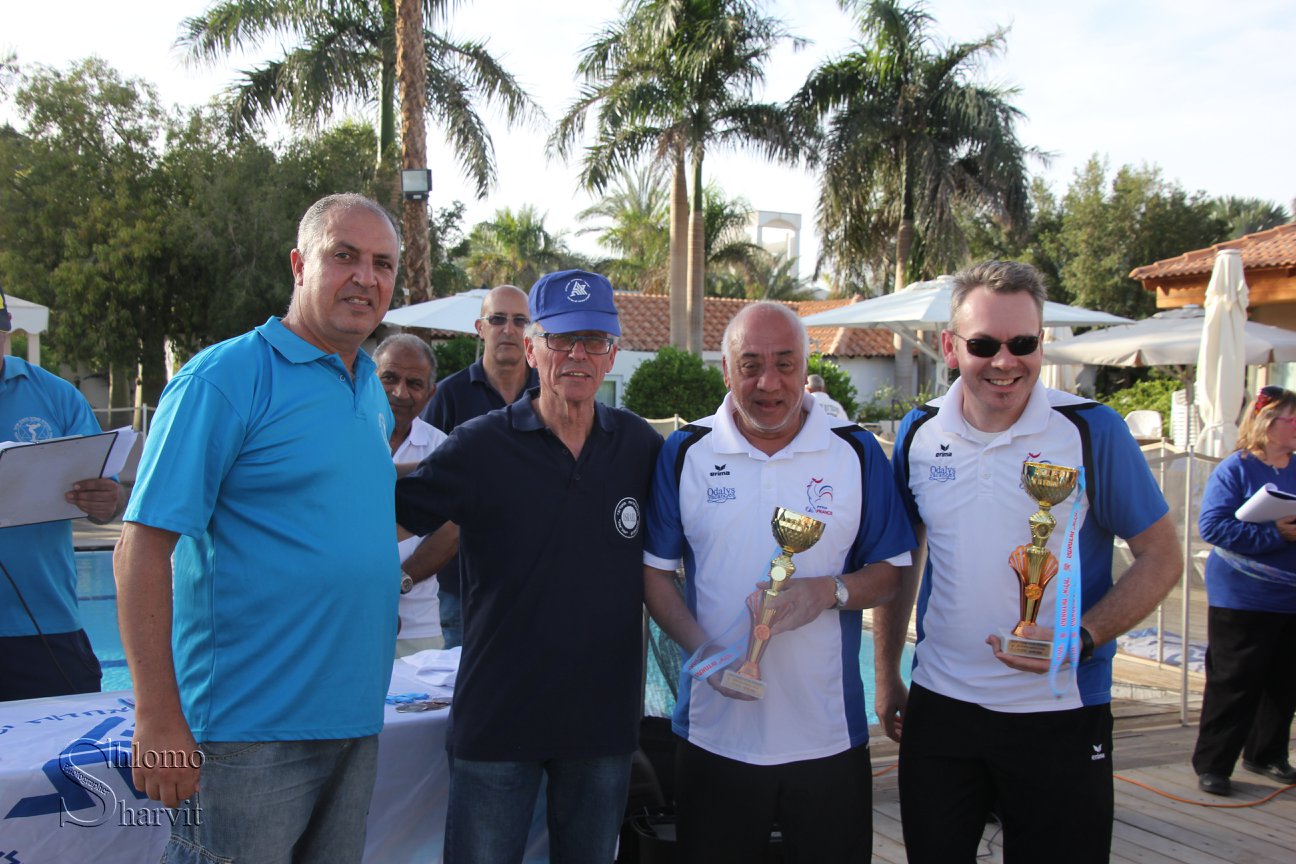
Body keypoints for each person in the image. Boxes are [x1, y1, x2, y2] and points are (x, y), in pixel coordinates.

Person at [114, 193, 401, 863]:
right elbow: (139, 550)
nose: (365, 278)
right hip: (245, 732)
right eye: (344, 256)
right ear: (300, 265)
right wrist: (156, 715)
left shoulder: (369, 388)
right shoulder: (224, 379)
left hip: (354, 721)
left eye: (382, 263)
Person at [876, 260, 1182, 863]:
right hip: (943, 707)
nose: (1005, 361)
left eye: (1022, 344)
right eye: (984, 344)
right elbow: (902, 558)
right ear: (951, 348)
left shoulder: (1091, 430)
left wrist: (1080, 638)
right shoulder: (919, 433)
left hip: (1060, 709)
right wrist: (887, 673)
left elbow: (1162, 557)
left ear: (1040, 344)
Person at [396, 269, 661, 864]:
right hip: (499, 722)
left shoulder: (640, 447)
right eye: (561, 339)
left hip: (601, 725)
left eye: (593, 340)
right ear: (533, 347)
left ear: (612, 353)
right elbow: (390, 517)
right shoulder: (478, 445)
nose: (577, 355)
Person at [642, 301, 917, 863]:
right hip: (714, 736)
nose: (768, 382)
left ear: (805, 368)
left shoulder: (856, 451)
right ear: (726, 371)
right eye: (750, 365)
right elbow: (654, 575)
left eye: (785, 364)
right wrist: (704, 654)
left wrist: (828, 592)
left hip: (827, 737)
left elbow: (892, 572)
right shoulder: (686, 452)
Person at [0, 284, 124, 701]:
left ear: (7, 332)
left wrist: (105, 501)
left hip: (43, 624)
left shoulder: (54, 396)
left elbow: (104, 499)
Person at [412, 283, 538, 648]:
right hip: (461, 587)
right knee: (458, 683)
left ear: (532, 332)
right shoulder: (448, 397)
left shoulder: (549, 396)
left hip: (535, 581)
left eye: (520, 321)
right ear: (480, 328)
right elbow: (426, 488)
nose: (509, 329)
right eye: (497, 319)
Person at [1192, 385, 1296, 795]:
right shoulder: (1235, 469)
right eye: (1293, 419)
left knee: (1285, 681)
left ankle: (1266, 754)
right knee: (1234, 681)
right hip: (1242, 595)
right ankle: (1214, 764)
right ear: (1267, 423)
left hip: (1290, 597)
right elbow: (1213, 527)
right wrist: (1275, 533)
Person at [374, 333, 454, 656]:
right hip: (341, 618)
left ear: (431, 393)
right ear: (370, 379)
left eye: (414, 383)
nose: (400, 392)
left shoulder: (442, 448)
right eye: (389, 378)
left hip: (417, 627)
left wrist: (396, 584)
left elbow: (451, 531)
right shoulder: (342, 436)